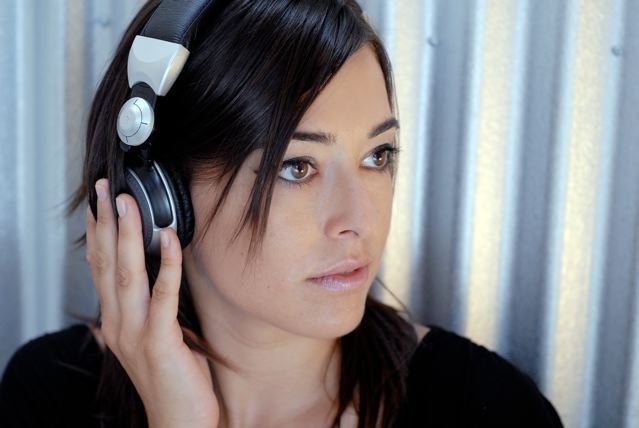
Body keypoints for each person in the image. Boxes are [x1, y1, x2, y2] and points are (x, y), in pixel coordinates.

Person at [0, 0, 563, 427]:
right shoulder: (51, 393)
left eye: (377, 156)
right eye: (296, 167)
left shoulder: (484, 405)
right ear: (159, 198)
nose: (359, 220)